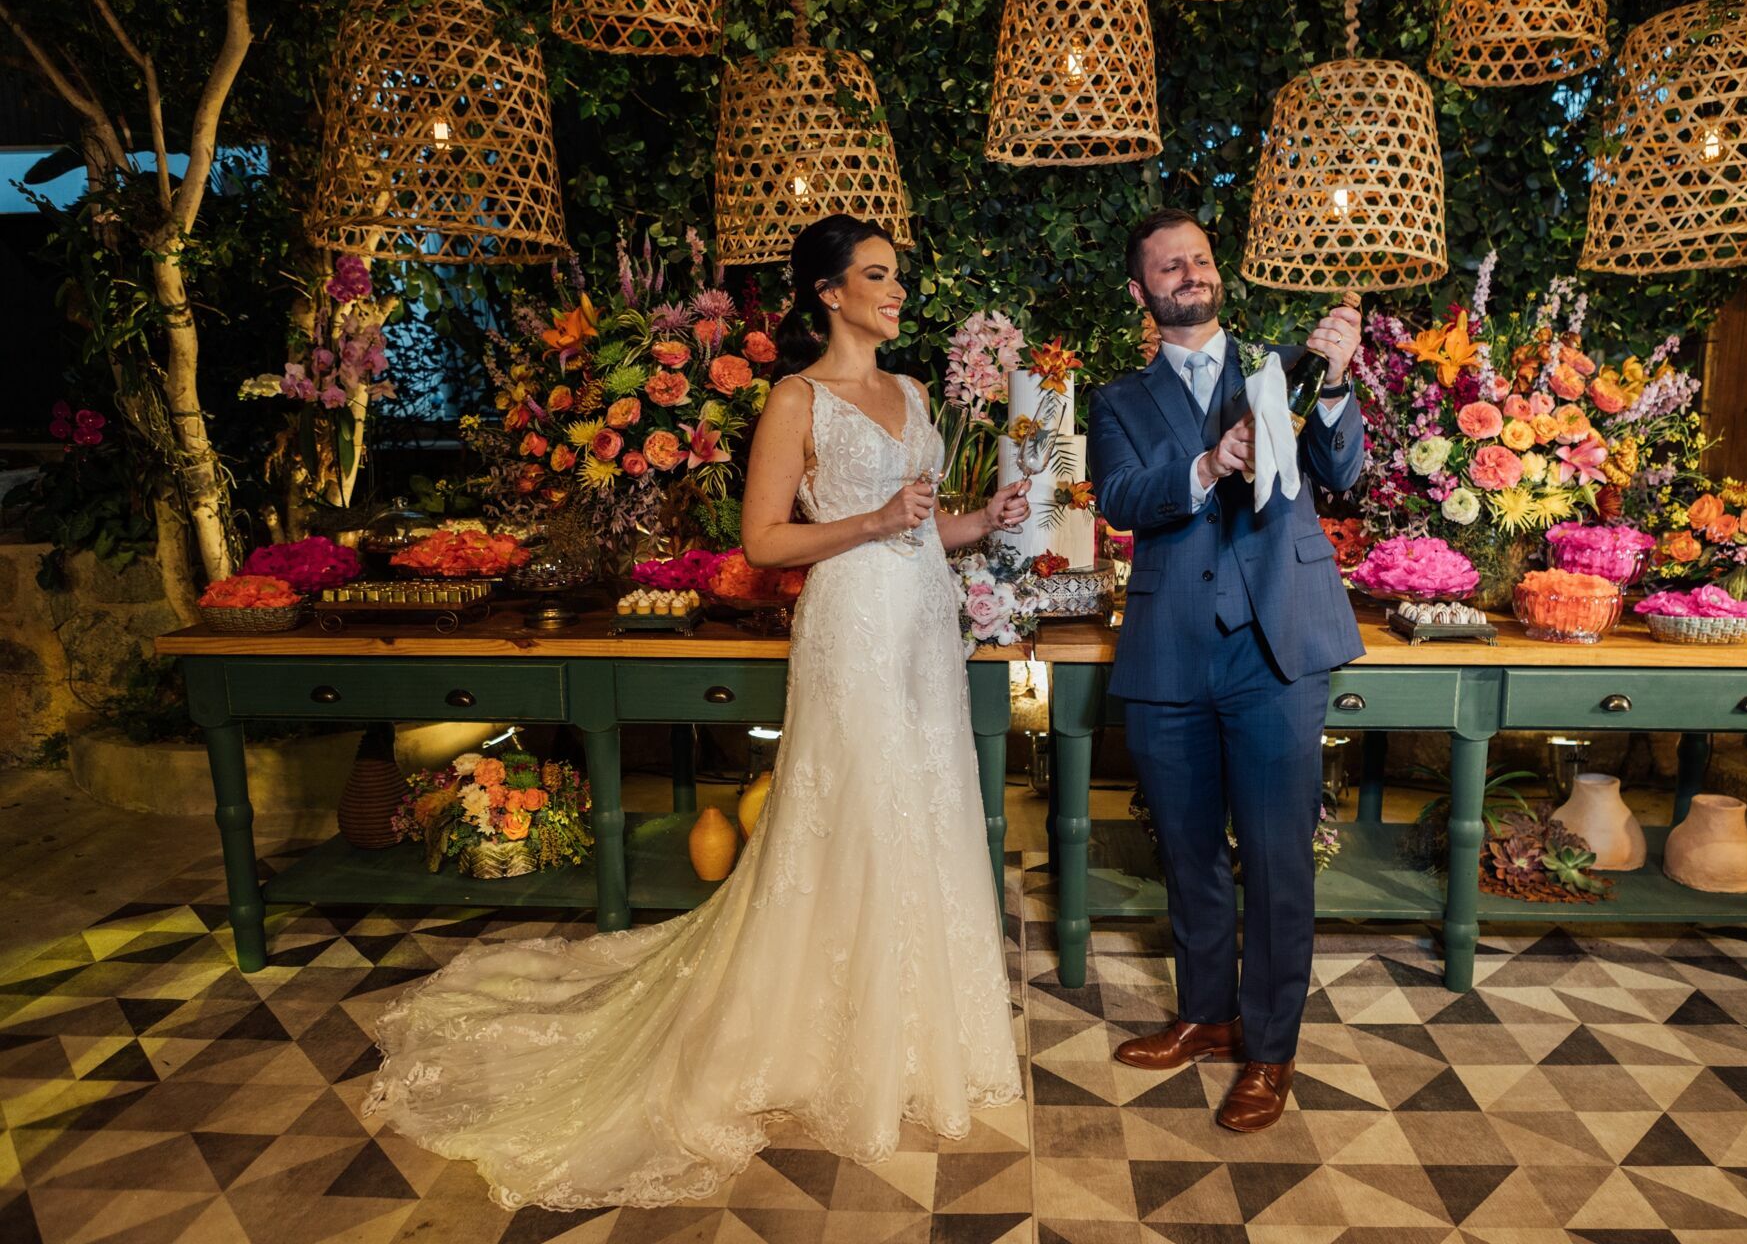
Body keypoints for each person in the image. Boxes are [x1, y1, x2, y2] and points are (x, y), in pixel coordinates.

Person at [361, 214, 1032, 1210]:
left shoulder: (917, 393)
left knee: (928, 807)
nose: (897, 293)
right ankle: (828, 1034)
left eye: (899, 276)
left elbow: (923, 527)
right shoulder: (795, 400)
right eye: (878, 277)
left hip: (925, 627)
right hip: (849, 630)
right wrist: (875, 520)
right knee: (855, 809)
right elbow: (765, 542)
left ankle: (921, 1031)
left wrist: (981, 523)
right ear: (828, 293)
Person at [1086, 208, 1363, 1133]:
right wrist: (1206, 462)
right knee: (1190, 850)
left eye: (1198, 259)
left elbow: (1344, 471)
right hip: (1171, 652)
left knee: (1280, 860)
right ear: (1143, 292)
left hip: (1277, 647)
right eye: (1167, 266)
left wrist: (1335, 385)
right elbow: (1123, 500)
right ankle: (1205, 1015)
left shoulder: (1284, 365)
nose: (1188, 273)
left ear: (1217, 273)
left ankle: (1270, 1052)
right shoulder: (1118, 399)